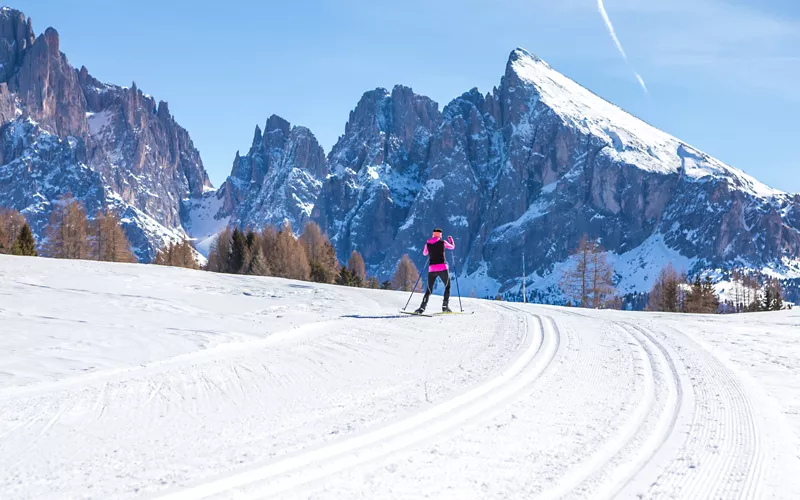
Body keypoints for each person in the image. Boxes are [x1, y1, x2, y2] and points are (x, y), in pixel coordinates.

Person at [415, 228, 455, 314]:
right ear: (440, 235)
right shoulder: (443, 242)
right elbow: (452, 247)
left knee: (429, 289)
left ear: (433, 234)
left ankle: (422, 308)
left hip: (432, 269)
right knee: (447, 286)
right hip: (443, 268)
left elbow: (424, 253)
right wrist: (451, 240)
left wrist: (430, 249)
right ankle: (445, 306)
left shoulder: (428, 243)